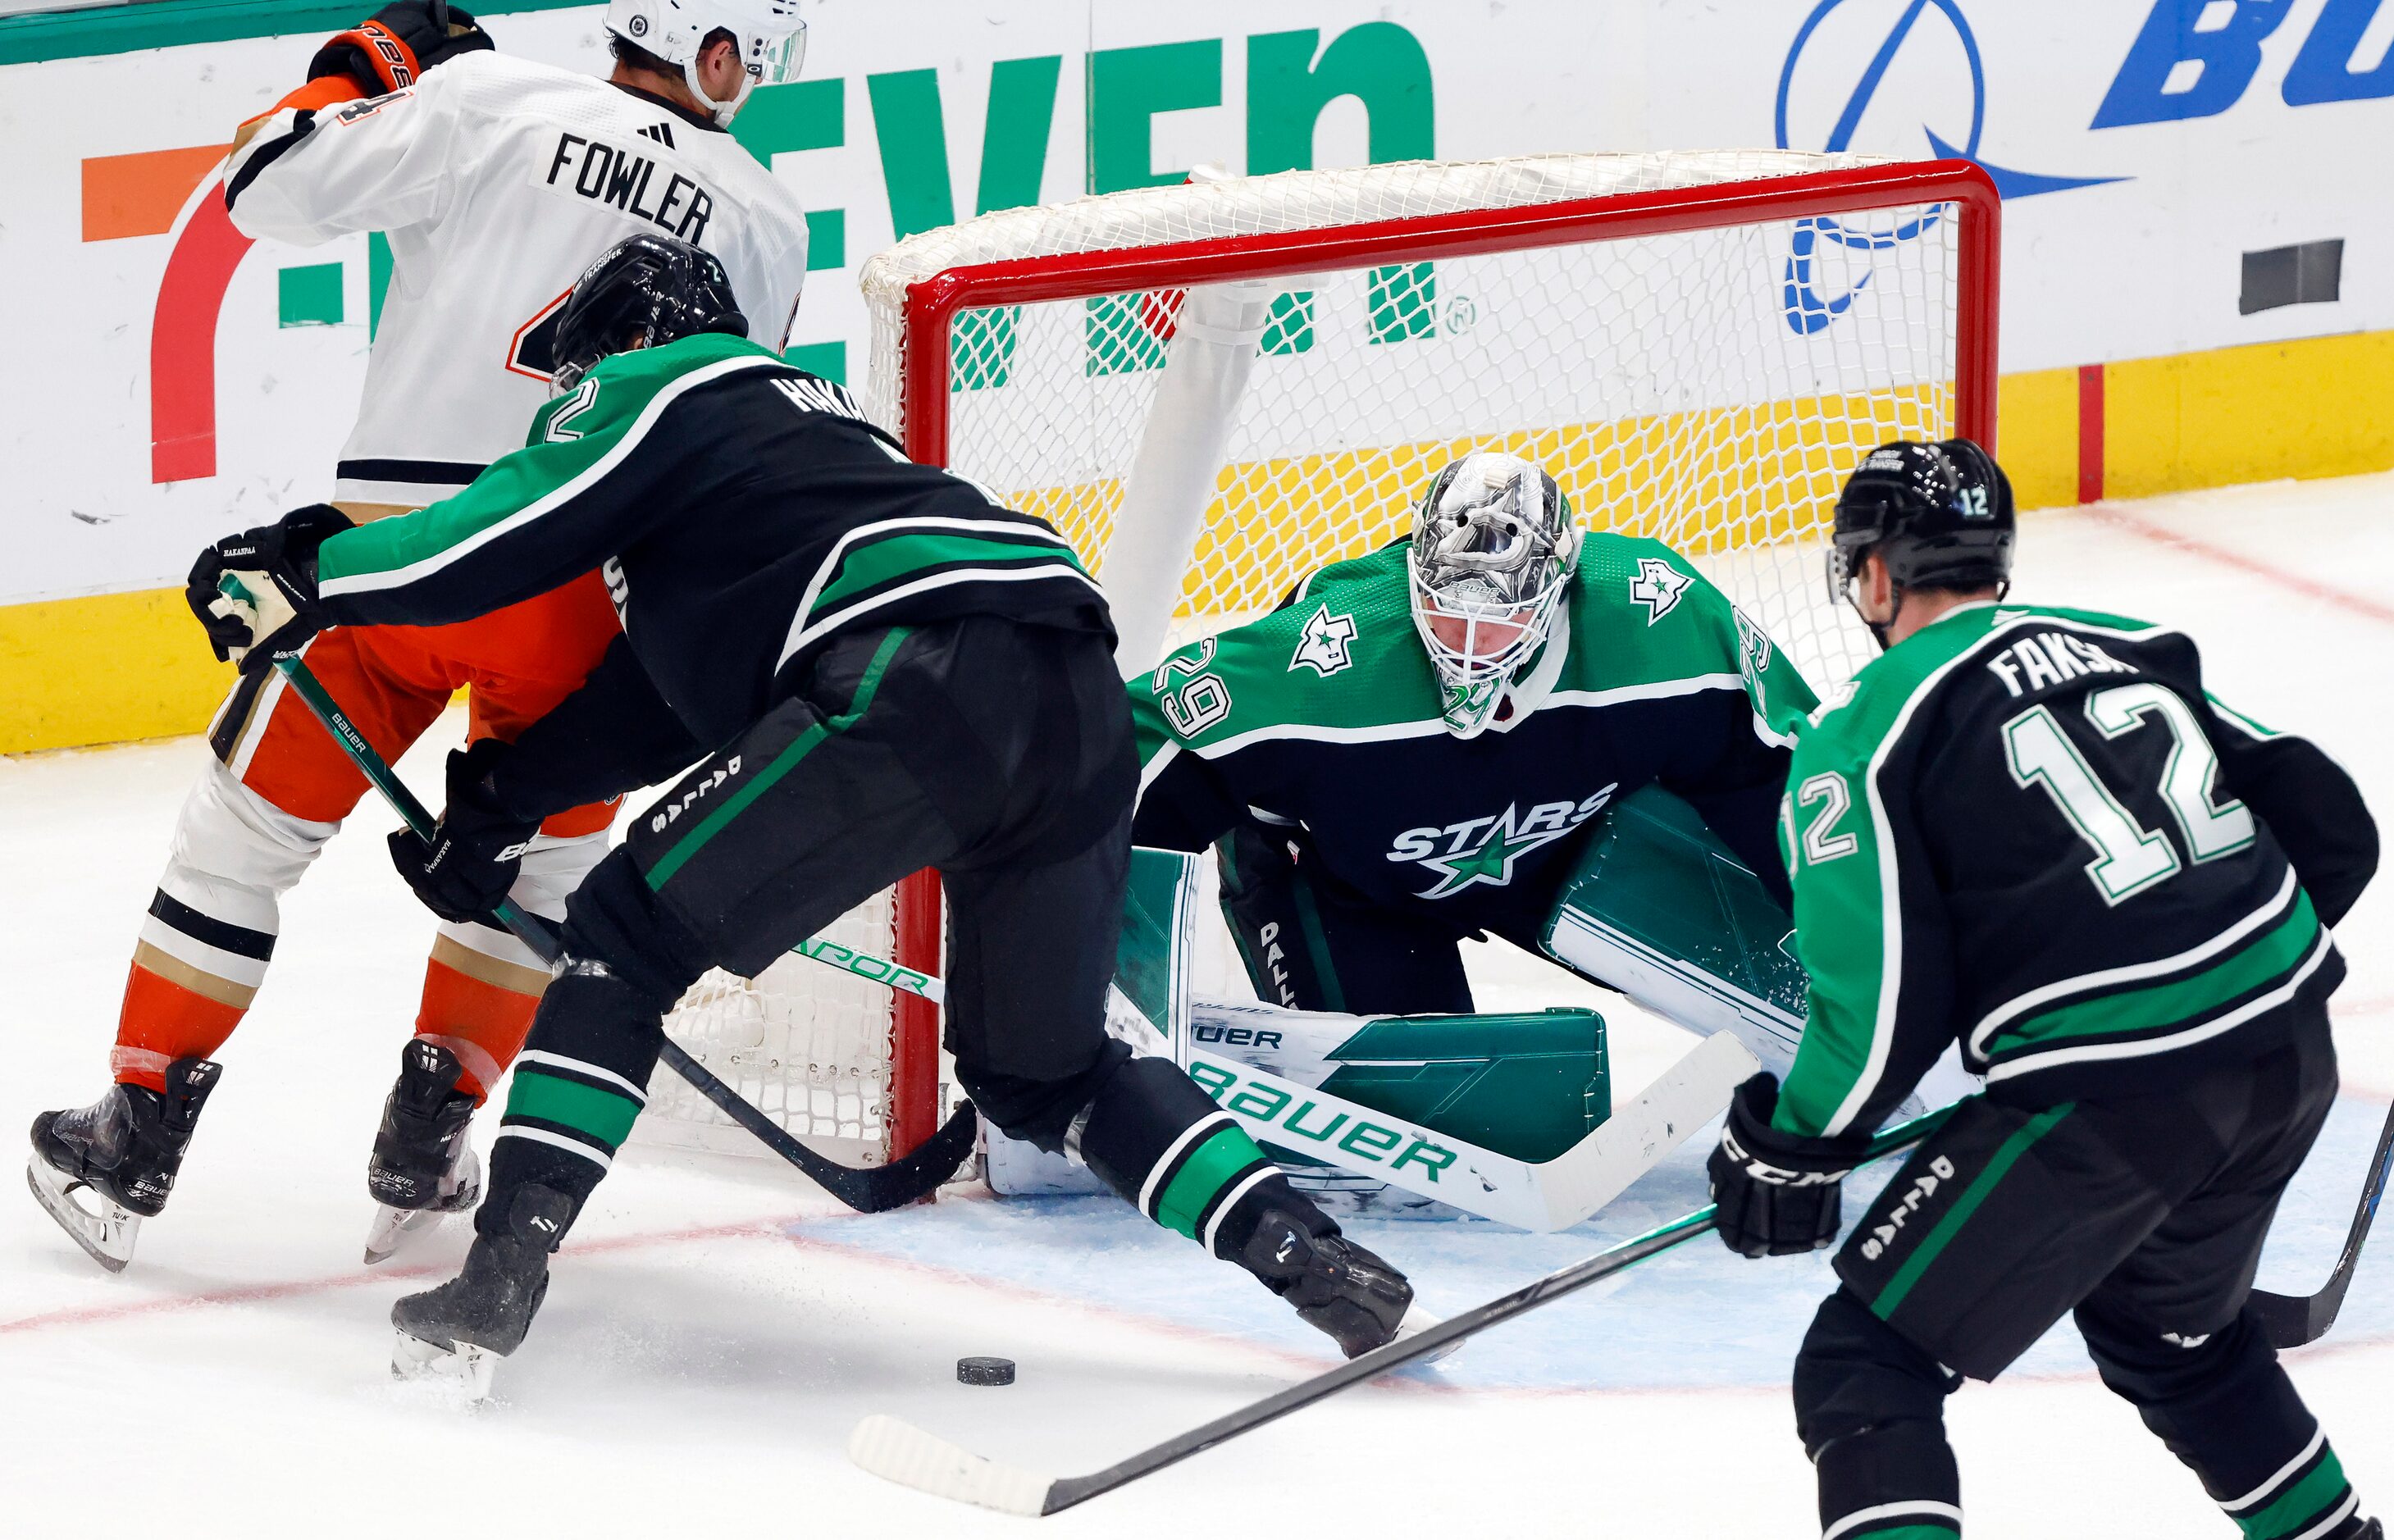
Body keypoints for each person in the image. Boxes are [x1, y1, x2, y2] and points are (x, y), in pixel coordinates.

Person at [188, 235, 1429, 1380]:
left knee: (619, 946)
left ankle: (498, 1276)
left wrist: (309, 570)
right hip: (1075, 697)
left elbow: (489, 535)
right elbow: (661, 706)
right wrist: (498, 808)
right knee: (1045, 1072)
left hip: (918, 675)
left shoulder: (669, 379)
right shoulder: (793, 450)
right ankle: (1309, 1255)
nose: (561, 412)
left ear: (624, 337)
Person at [25, 0, 812, 1272]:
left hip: (394, 564)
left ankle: (137, 1131)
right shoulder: (768, 218)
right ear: (716, 50)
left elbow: (264, 188)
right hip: (580, 587)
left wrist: (366, 64)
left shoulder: (493, 100)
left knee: (242, 840)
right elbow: (717, 432)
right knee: (530, 881)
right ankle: (430, 1131)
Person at [1706, 440, 2380, 1539]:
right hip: (2288, 1055)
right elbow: (2331, 825)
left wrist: (1788, 1149)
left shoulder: (1854, 736)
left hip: (2114, 1104)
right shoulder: (2117, 643)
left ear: (1873, 577)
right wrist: (2215, 968)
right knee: (2178, 1343)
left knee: (1861, 1365)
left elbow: (1874, 1015)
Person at [1129, 450, 1818, 1060]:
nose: (1467, 643)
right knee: (1425, 1108)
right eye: (1446, 612)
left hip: (1561, 850)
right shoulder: (1325, 659)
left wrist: (1852, 932)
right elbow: (1132, 744)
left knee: (1825, 990)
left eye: (1498, 619)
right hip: (1346, 880)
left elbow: (1788, 772)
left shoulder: (1658, 614)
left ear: (1560, 586)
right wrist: (1059, 927)